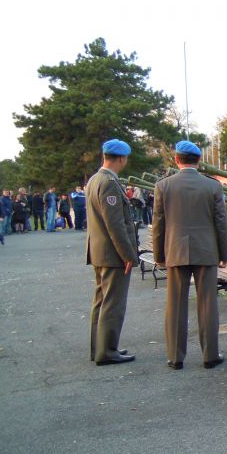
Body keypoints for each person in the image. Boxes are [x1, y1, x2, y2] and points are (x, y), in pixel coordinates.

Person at [152, 140, 227, 370]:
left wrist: (159, 255)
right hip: (206, 250)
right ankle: (210, 355)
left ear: (177, 160)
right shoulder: (213, 186)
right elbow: (221, 222)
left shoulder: (163, 186)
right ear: (199, 161)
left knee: (175, 304)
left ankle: (175, 357)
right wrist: (224, 252)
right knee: (208, 303)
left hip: (175, 250)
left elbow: (158, 224)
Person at [85, 139, 139, 366]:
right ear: (121, 158)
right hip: (113, 254)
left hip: (99, 251)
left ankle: (100, 348)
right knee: (112, 304)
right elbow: (115, 224)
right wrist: (128, 255)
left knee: (101, 302)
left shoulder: (95, 179)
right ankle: (107, 351)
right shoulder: (109, 183)